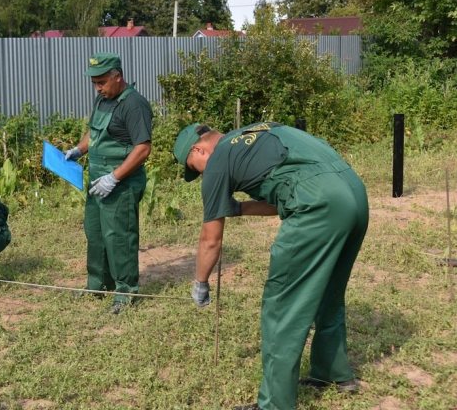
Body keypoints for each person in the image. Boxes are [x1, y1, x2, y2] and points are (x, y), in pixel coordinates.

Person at [173, 122, 369, 410]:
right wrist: (239, 208)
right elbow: (284, 198)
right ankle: (333, 372)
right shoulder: (255, 133)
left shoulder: (217, 162)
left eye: (195, 166)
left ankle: (275, 404)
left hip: (319, 206)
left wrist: (200, 281)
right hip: (353, 195)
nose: (202, 173)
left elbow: (210, 240)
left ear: (199, 149)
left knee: (282, 305)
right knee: (328, 289)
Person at [64, 52, 152, 314]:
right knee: (95, 232)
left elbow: (143, 148)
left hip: (120, 182)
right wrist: (78, 151)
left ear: (117, 76)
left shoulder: (134, 104)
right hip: (96, 179)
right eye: (94, 83)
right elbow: (94, 132)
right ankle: (98, 283)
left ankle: (125, 292)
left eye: (102, 82)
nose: (97, 87)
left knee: (119, 236)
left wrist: (114, 177)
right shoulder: (102, 99)